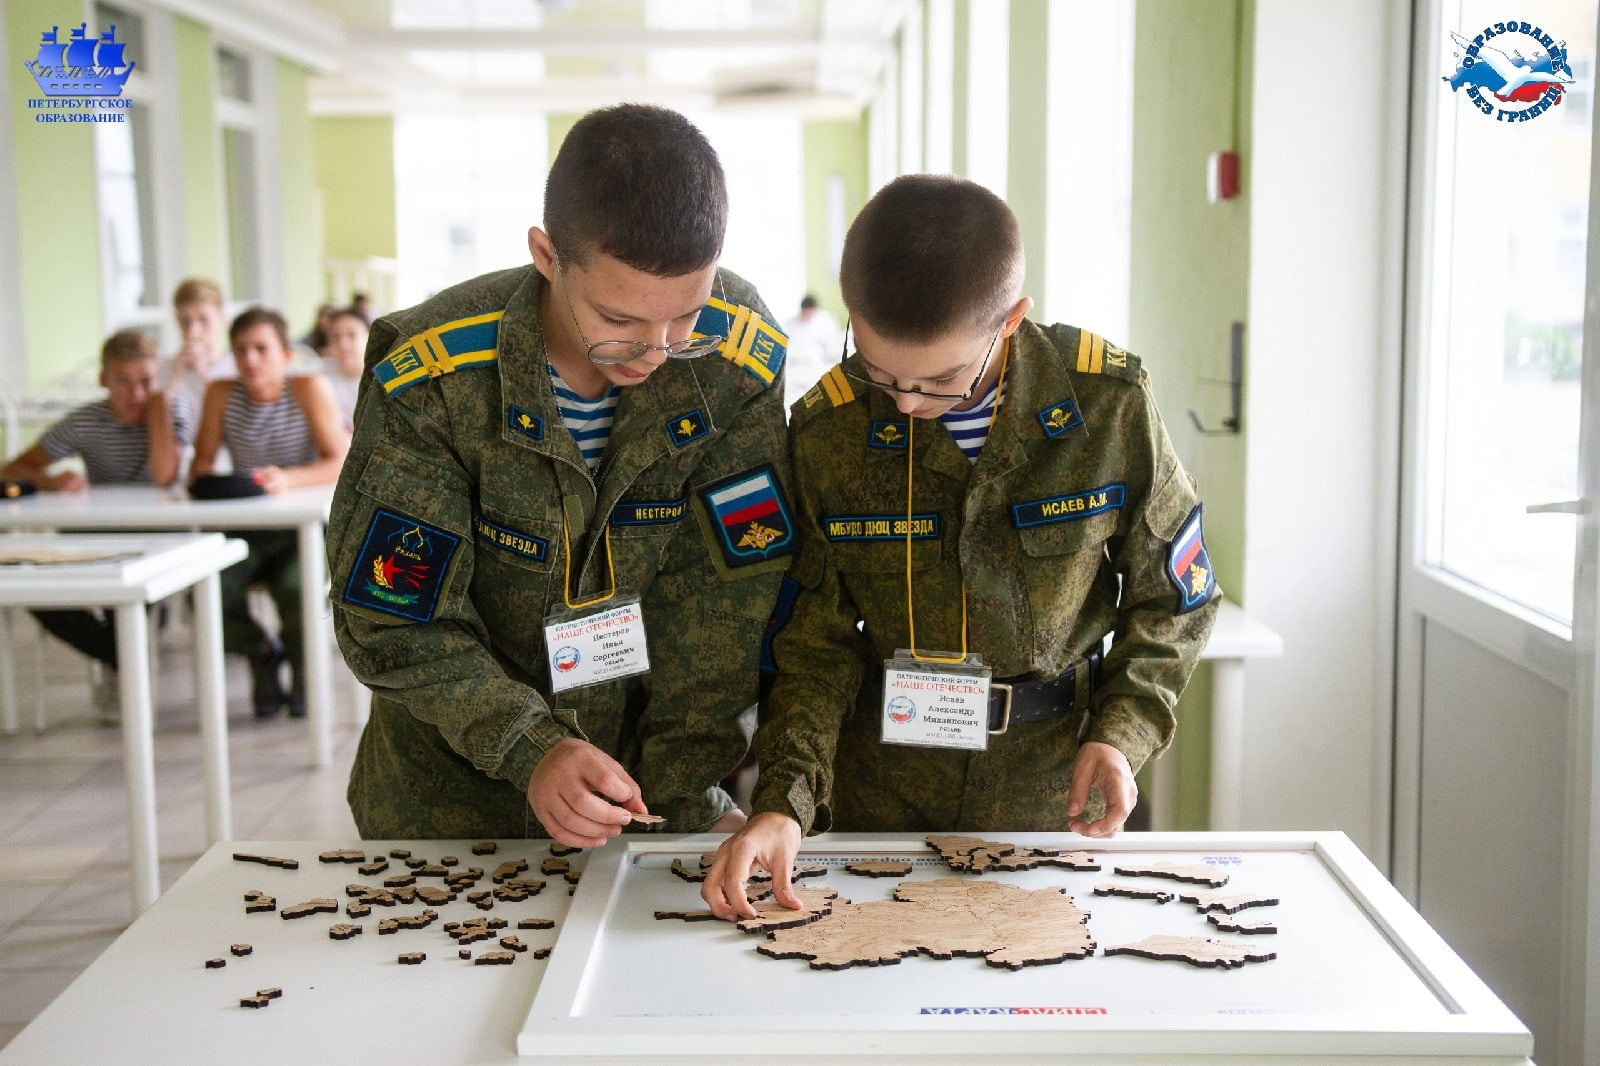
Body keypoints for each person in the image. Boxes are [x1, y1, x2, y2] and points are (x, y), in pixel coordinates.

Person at [703, 175, 1221, 920]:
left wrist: (1123, 731)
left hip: (1052, 790)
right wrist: (783, 801)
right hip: (880, 793)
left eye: (941, 379)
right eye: (881, 371)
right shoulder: (830, 431)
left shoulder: (1106, 409)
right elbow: (812, 648)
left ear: (1010, 320)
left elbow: (1176, 597)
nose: (907, 401)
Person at [326, 103, 793, 845]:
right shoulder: (434, 376)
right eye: (618, 320)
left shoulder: (736, 358)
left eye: (684, 317)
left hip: (642, 791)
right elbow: (394, 616)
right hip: (453, 800)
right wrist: (528, 747)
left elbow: (725, 602)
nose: (657, 351)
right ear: (547, 256)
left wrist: (686, 794)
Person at [1, 329, 190, 703]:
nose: (136, 394)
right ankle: (123, 656)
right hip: (94, 534)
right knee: (40, 596)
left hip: (160, 535)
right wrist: (51, 481)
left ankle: (124, 658)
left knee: (136, 591)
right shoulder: (84, 421)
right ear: (103, 380)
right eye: (123, 382)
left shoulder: (168, 410)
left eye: (146, 381)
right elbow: (13, 468)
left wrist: (157, 411)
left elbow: (165, 474)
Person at [192, 307, 349, 718]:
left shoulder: (307, 387)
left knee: (297, 591)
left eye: (261, 349)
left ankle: (301, 674)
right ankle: (262, 652)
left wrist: (288, 480)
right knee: (204, 592)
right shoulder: (221, 393)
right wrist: (213, 481)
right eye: (240, 350)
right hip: (243, 531)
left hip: (302, 531)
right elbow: (202, 464)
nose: (250, 360)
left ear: (285, 354)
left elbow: (340, 460)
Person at [162, 278, 233, 428]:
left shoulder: (237, 367)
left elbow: (238, 423)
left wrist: (205, 376)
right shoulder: (164, 369)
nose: (192, 331)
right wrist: (175, 376)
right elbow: (152, 424)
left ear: (223, 321)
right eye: (185, 321)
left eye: (204, 319)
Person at [781, 295, 843, 409]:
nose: (807, 316)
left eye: (810, 314)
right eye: (805, 313)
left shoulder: (825, 322)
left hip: (816, 361)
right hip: (795, 362)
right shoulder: (791, 323)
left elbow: (832, 345)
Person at [319, 306, 368, 428]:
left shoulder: (388, 378)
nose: (343, 345)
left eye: (351, 335)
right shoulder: (321, 375)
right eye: (335, 337)